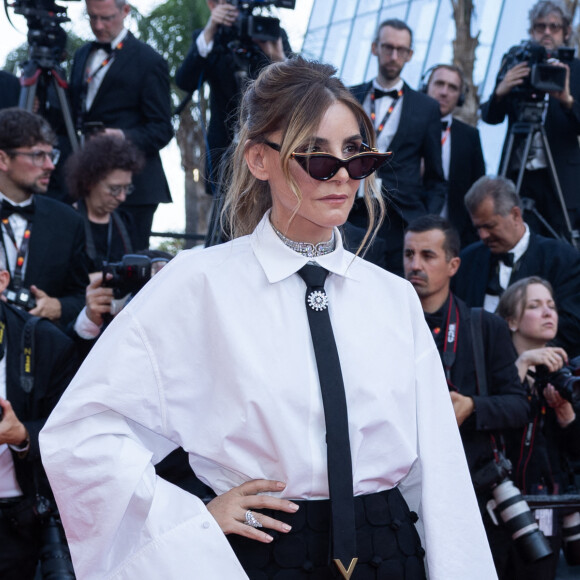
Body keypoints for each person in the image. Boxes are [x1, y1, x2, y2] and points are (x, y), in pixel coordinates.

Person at [40, 56, 496, 580]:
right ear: (259, 159)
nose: (343, 177)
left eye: (357, 155)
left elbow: (437, 467)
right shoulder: (198, 284)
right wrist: (188, 518)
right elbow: (83, 433)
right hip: (265, 552)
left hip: (389, 551)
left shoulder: (392, 297)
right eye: (317, 158)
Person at [403, 215, 530, 576]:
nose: (415, 265)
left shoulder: (483, 325)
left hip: (473, 491)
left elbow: (519, 405)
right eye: (409, 254)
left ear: (454, 264)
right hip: (405, 490)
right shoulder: (386, 324)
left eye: (428, 255)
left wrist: (471, 407)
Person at [69, 0, 174, 250]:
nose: (98, 25)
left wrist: (121, 136)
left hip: (135, 189)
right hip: (88, 180)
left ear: (125, 11)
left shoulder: (149, 60)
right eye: (92, 18)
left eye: (106, 18)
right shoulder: (82, 54)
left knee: (129, 266)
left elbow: (162, 129)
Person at [0, 253, 78, 580]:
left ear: (2, 280)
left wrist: (22, 436)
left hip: (17, 521)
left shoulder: (44, 341)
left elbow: (75, 432)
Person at [496, 276, 580, 579]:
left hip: (549, 508)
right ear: (511, 321)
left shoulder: (564, 373)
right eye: (535, 306)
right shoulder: (495, 370)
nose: (548, 313)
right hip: (499, 511)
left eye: (552, 306)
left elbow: (575, 452)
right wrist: (522, 365)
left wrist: (566, 413)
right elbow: (493, 428)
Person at [349, 18, 446, 276]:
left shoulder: (427, 108)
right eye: (388, 47)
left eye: (401, 50)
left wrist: (424, 222)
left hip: (401, 219)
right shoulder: (348, 97)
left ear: (410, 54)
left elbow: (437, 177)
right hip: (350, 212)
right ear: (374, 48)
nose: (394, 56)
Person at [480, 0, 580, 240]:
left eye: (554, 27)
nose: (547, 32)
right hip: (518, 172)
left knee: (561, 242)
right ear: (531, 30)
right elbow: (490, 117)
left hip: (560, 176)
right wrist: (500, 91)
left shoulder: (575, 69)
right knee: (513, 238)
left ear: (566, 32)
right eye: (540, 26)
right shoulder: (516, 60)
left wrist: (567, 101)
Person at [453, 175, 580, 359]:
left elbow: (572, 324)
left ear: (515, 215)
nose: (482, 235)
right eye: (478, 228)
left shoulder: (562, 259)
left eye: (489, 226)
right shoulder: (467, 260)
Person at [175, 0, 291, 198]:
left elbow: (295, 94)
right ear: (212, 5)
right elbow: (185, 81)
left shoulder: (270, 33)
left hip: (267, 147)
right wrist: (211, 28)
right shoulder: (210, 38)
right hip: (223, 148)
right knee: (224, 220)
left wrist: (278, 58)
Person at [0, 108, 89, 327]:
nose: (50, 165)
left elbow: (81, 298)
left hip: (38, 353)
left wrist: (58, 307)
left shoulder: (68, 221)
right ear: (3, 159)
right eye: (38, 155)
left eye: (51, 155)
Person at [424, 64, 485, 247]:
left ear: (461, 96)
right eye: (439, 84)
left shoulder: (470, 136)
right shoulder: (406, 127)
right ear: (426, 87)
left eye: (452, 88)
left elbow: (477, 188)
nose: (444, 92)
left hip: (453, 237)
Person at [65, 133, 143, 275]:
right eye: (115, 189)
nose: (122, 197)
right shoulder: (66, 222)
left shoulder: (126, 222)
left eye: (127, 188)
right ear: (90, 182)